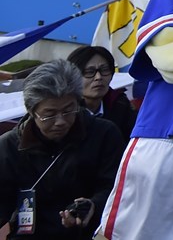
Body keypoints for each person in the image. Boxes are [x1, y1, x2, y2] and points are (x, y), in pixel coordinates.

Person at [0, 60, 124, 238]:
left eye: (68, 110)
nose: (61, 121)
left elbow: (115, 188)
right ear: (31, 111)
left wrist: (92, 205)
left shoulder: (105, 134)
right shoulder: (8, 147)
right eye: (49, 114)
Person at [67, 45, 137, 142]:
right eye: (89, 72)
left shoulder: (121, 105)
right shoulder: (65, 111)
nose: (98, 77)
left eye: (104, 70)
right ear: (72, 76)